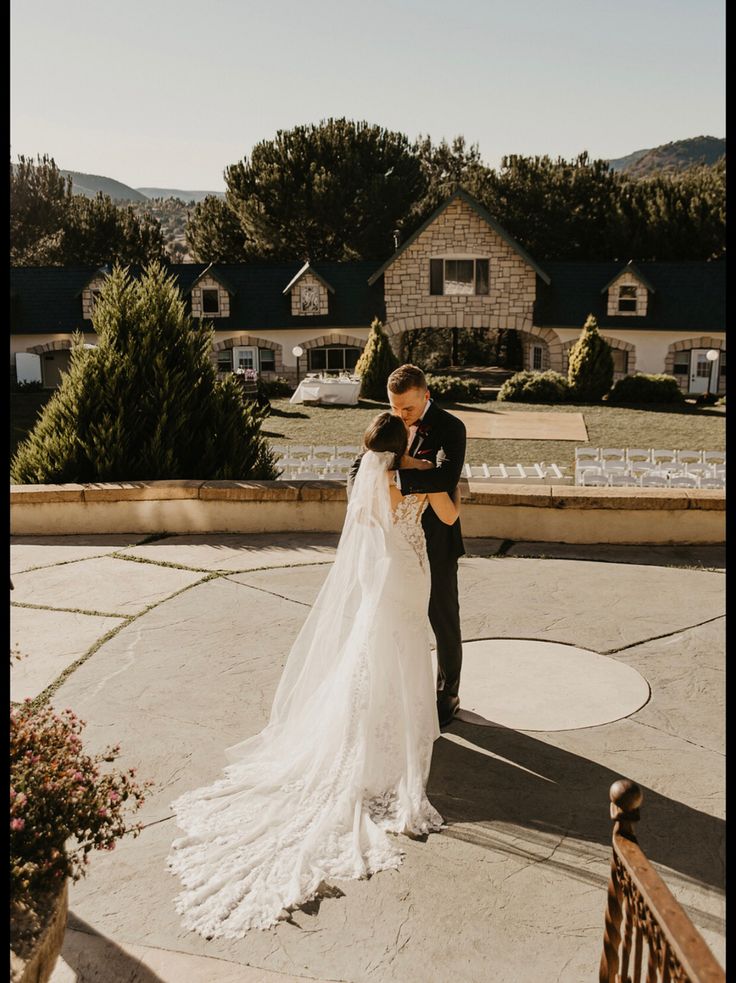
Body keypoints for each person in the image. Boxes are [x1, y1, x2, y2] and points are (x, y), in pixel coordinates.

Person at [167, 412, 458, 939]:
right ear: (404, 444)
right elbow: (450, 511)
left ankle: (365, 726)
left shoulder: (370, 479)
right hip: (412, 572)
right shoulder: (419, 476)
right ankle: (401, 733)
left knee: (371, 648)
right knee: (409, 647)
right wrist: (435, 476)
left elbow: (368, 529)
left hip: (381, 576)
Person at [348, 364, 467, 728]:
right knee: (393, 623)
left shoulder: (451, 428)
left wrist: (393, 475)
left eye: (408, 410)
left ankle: (447, 693)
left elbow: (446, 475)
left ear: (426, 396)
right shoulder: (389, 425)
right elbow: (358, 466)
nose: (399, 416)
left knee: (443, 618)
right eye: (394, 407)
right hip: (395, 550)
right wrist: (371, 483)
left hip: (436, 542)